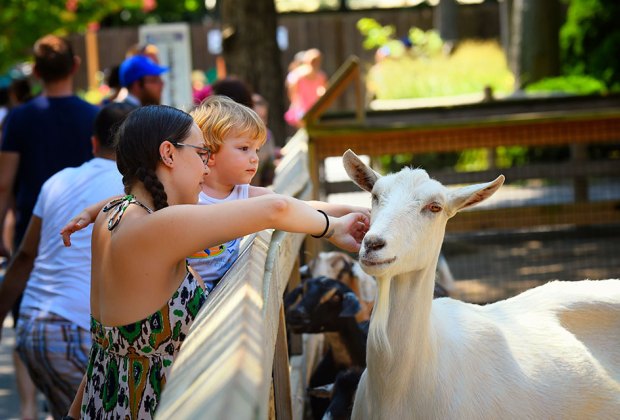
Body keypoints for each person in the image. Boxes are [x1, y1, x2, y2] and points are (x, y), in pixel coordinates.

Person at [59, 105, 367, 419]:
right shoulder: (159, 227)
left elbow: (109, 347)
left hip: (100, 404)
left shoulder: (112, 215)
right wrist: (332, 229)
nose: (207, 169)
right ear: (168, 154)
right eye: (201, 154)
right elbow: (274, 208)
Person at [0, 103, 135, 419]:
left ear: (92, 142)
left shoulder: (56, 181)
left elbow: (24, 257)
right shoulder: (130, 190)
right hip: (75, 330)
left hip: (32, 331)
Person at [0, 34, 99, 420]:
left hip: (34, 223)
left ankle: (27, 408)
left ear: (37, 71)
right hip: (81, 228)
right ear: (75, 66)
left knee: (29, 310)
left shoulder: (20, 117)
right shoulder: (93, 114)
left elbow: (4, 181)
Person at [188, 96, 369, 292]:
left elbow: (298, 208)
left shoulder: (244, 194)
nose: (254, 159)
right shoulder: (188, 198)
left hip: (222, 293)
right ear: (209, 153)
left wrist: (350, 210)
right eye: (244, 148)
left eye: (256, 150)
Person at [285, 48, 328, 128]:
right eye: (314, 61)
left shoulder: (321, 76)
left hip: (315, 109)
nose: (316, 63)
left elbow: (323, 92)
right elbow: (293, 95)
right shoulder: (297, 76)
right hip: (302, 110)